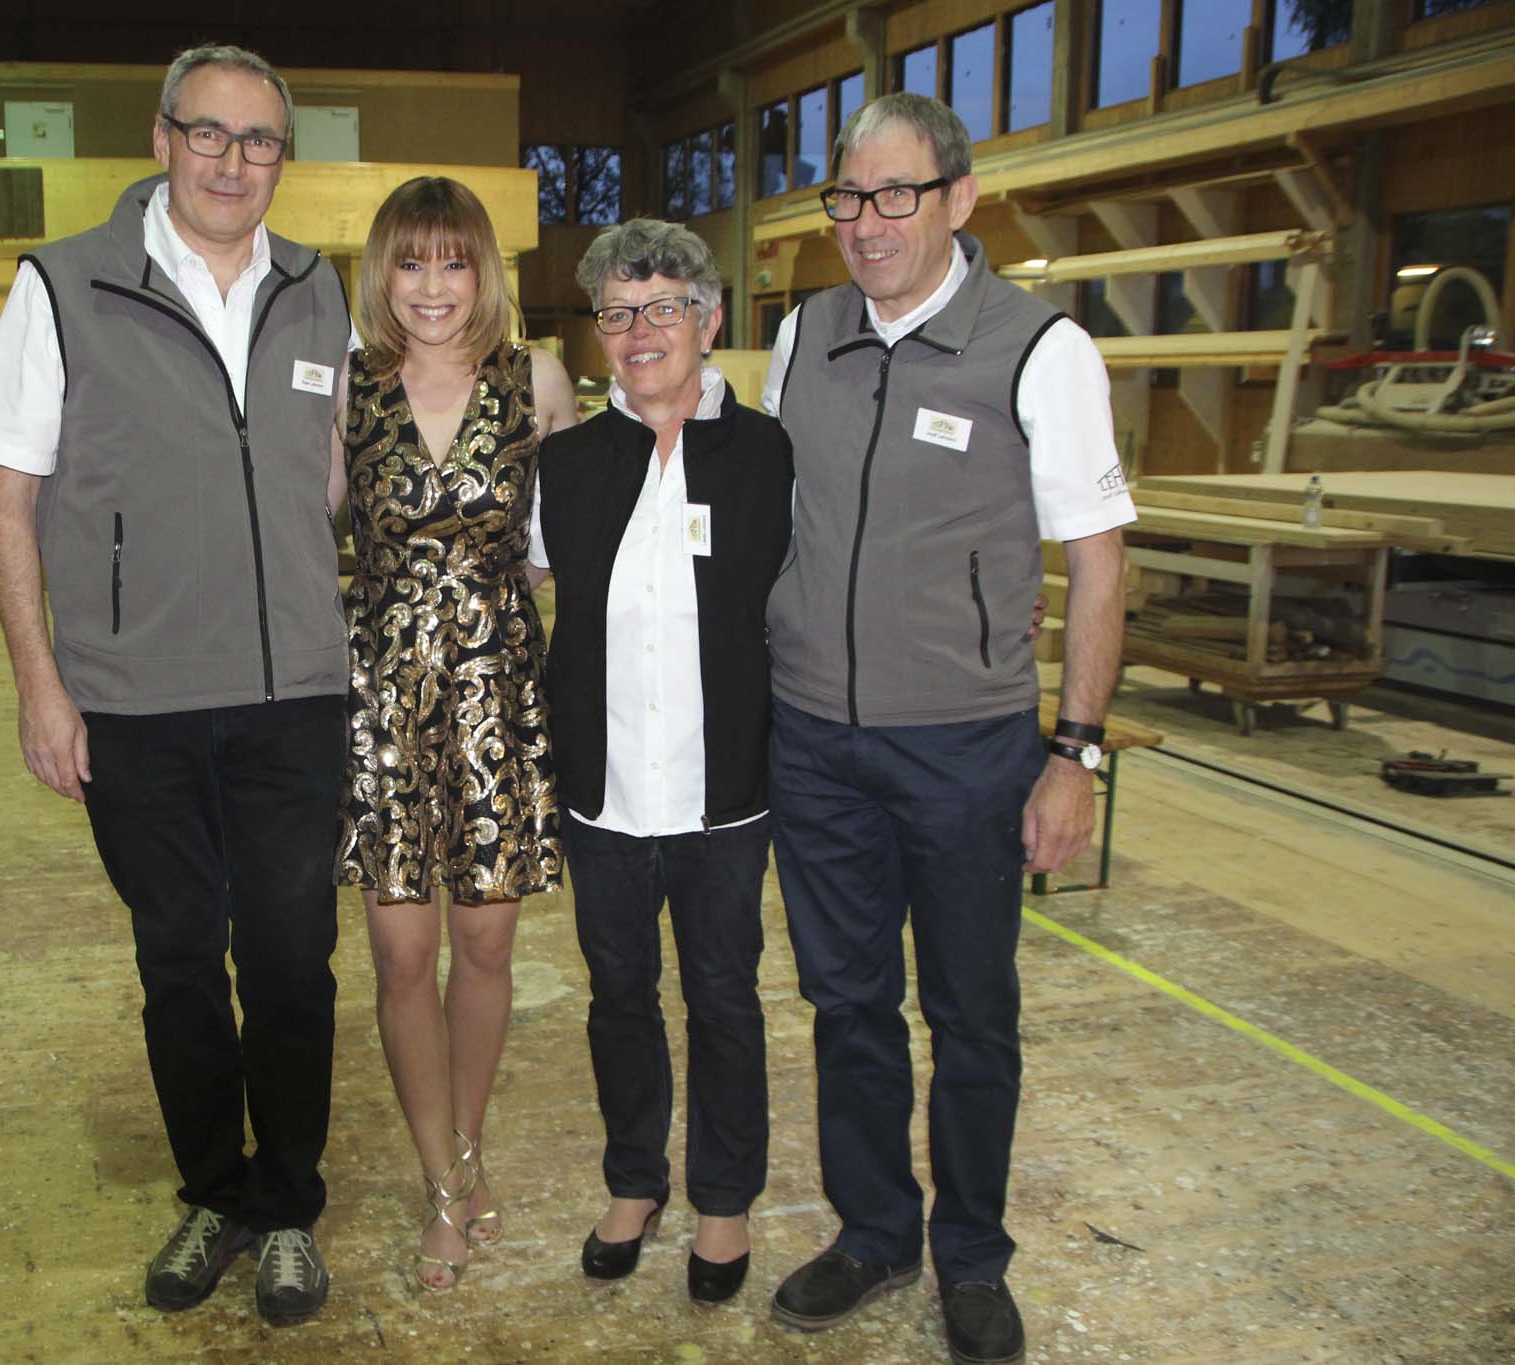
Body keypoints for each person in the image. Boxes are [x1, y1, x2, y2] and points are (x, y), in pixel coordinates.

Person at [0, 43, 350, 1327]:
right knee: (179, 957)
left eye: (259, 140)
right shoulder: (64, 286)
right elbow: (7, 497)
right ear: (162, 138)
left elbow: (334, 475)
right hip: (134, 700)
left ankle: (286, 1208)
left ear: (281, 158)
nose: (233, 161)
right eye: (209, 133)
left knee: (291, 960)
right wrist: (40, 684)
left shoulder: (318, 291)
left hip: (295, 695)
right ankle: (212, 1193)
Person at [758, 93, 1136, 1364]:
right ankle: (874, 1232)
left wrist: (1072, 753)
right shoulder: (802, 334)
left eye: (894, 196)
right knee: (846, 1004)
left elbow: (1096, 562)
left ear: (959, 199)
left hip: (965, 749)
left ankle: (970, 1257)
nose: (865, 225)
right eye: (845, 199)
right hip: (814, 741)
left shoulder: (1038, 351)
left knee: (970, 1015)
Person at [528, 220, 792, 1305]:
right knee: (619, 995)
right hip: (604, 791)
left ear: (708, 320)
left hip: (723, 790)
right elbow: (527, 590)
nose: (640, 332)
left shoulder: (768, 455)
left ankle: (724, 1198)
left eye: (663, 309)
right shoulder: (566, 464)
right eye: (618, 313)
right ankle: (634, 1181)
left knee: (723, 996)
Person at [334, 175, 576, 1292]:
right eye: (410, 261)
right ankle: (439, 1178)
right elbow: (292, 527)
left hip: (495, 702)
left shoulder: (537, 380)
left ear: (485, 271)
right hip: (381, 704)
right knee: (401, 955)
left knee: (484, 951)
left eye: (455, 261)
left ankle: (465, 1150)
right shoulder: (346, 389)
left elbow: (566, 545)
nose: (432, 286)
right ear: (380, 272)